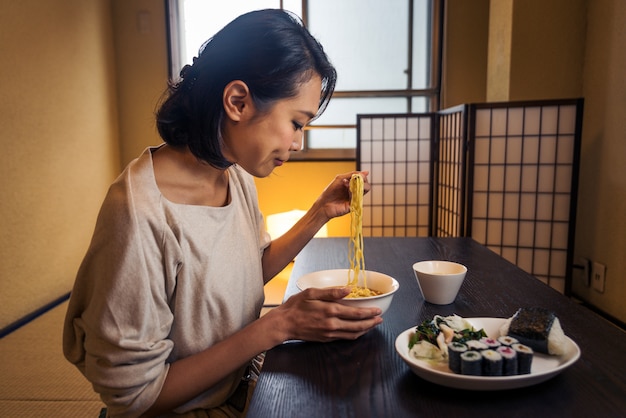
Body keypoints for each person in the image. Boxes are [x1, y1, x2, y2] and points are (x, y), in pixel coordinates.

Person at [63, 9, 381, 418]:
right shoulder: (140, 213)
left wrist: (319, 212)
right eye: (296, 123)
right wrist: (277, 326)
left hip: (237, 386)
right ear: (237, 101)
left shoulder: (233, 177)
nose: (299, 143)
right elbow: (138, 396)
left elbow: (246, 271)